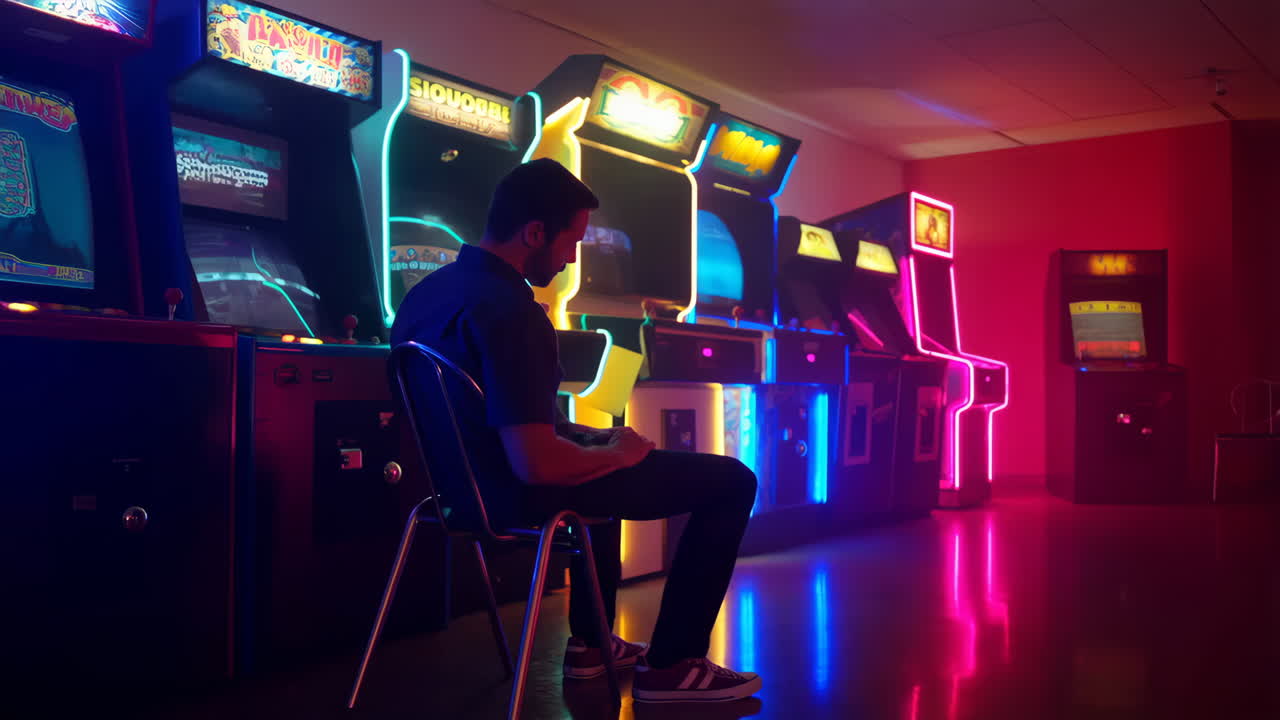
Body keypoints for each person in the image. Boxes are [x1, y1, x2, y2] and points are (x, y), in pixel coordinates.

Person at [390, 158, 761, 704]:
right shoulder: (512, 309)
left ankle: (592, 648)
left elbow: (503, 426)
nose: (570, 259)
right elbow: (538, 464)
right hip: (516, 494)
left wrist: (597, 444)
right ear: (534, 233)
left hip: (456, 495)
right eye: (571, 242)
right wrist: (619, 453)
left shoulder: (426, 296)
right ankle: (673, 666)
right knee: (732, 480)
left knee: (596, 450)